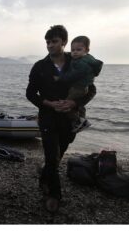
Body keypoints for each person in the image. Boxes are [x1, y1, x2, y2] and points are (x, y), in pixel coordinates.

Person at [26, 25, 97, 213]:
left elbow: (92, 90)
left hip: (70, 118)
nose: (50, 45)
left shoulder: (77, 63)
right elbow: (30, 93)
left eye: (54, 41)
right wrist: (48, 103)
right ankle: (54, 195)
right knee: (51, 155)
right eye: (47, 42)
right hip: (48, 117)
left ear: (64, 42)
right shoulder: (40, 66)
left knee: (60, 153)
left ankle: (44, 178)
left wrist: (74, 104)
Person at [54, 36, 103, 132]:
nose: (75, 52)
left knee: (67, 105)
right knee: (76, 105)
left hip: (78, 87)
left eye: (78, 50)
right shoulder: (87, 59)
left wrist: (60, 78)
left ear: (87, 50)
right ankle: (82, 118)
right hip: (82, 87)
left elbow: (72, 75)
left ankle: (78, 121)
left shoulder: (81, 63)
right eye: (73, 50)